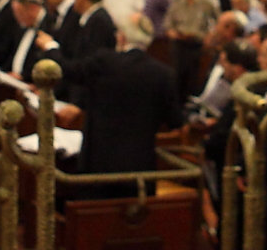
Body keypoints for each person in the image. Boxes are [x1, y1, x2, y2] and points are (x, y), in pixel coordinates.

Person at [69, 12, 184, 195]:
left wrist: (50, 47)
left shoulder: (104, 62)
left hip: (98, 169)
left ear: (121, 37)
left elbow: (68, 72)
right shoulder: (164, 74)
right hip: (139, 172)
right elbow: (175, 121)